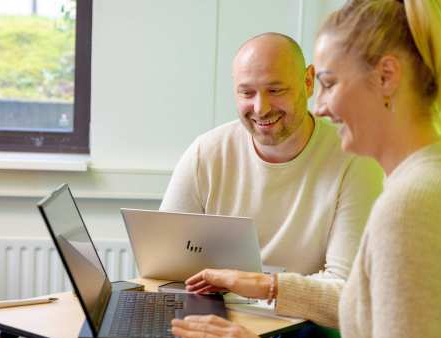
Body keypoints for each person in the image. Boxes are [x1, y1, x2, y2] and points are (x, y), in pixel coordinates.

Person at [171, 0, 441, 338]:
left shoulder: (411, 207)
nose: (320, 105)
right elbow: (364, 301)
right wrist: (266, 285)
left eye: (330, 83)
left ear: (386, 78)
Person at [160, 32, 383, 280]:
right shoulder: (206, 152)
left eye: (275, 90)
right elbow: (163, 264)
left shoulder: (354, 158)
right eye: (246, 93)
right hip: (215, 310)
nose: (261, 108)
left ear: (309, 82)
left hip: (304, 317)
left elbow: (344, 283)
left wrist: (258, 287)